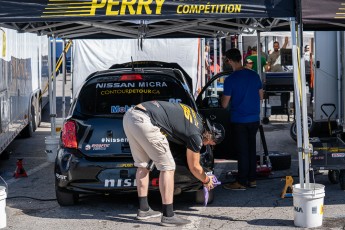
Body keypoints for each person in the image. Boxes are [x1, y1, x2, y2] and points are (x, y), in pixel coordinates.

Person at [123, 101, 225, 226]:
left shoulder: (194, 118)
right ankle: (168, 215)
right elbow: (194, 167)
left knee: (143, 165)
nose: (207, 145)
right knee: (168, 168)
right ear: (210, 137)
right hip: (145, 120)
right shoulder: (195, 135)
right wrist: (206, 180)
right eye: (210, 144)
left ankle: (144, 209)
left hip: (130, 115)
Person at [221, 48, 263, 190]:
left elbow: (224, 103)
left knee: (242, 151)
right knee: (251, 149)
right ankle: (252, 179)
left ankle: (241, 181)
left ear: (230, 61)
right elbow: (261, 96)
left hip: (239, 120)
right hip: (254, 119)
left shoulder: (230, 80)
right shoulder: (254, 75)